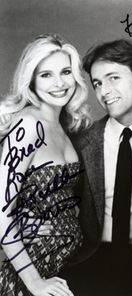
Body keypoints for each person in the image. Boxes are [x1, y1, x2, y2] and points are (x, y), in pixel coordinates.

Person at [58, 38, 132, 296]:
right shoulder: (81, 141)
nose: (103, 91)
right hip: (93, 259)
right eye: (97, 83)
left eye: (113, 78)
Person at [0, 33, 91, 296]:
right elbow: (2, 213)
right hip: (33, 275)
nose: (59, 83)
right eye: (46, 75)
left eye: (65, 72)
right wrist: (35, 283)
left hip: (65, 268)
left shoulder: (65, 125)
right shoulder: (27, 126)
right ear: (30, 80)